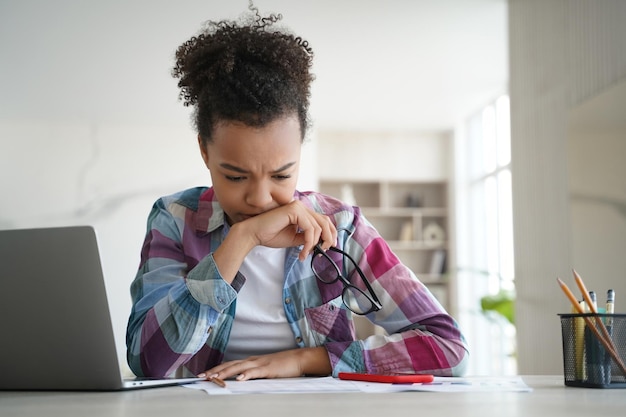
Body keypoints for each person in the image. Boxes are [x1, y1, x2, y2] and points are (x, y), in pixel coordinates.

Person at [126, 2, 468, 382]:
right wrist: (241, 239)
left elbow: (449, 349)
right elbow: (148, 362)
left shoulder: (342, 227)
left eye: (281, 175)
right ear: (205, 151)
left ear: (300, 151)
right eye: (236, 177)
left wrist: (304, 361)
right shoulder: (176, 219)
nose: (259, 198)